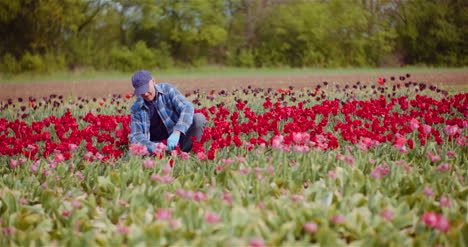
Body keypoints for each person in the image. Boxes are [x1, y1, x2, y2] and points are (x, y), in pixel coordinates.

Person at [129, 70, 206, 153]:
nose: (145, 94)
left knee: (199, 118)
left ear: (153, 81)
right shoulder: (137, 107)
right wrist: (154, 147)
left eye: (146, 89)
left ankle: (184, 153)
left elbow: (187, 107)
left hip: (177, 139)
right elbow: (136, 135)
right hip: (156, 146)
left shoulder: (167, 90)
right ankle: (166, 156)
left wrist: (177, 131)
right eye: (141, 91)